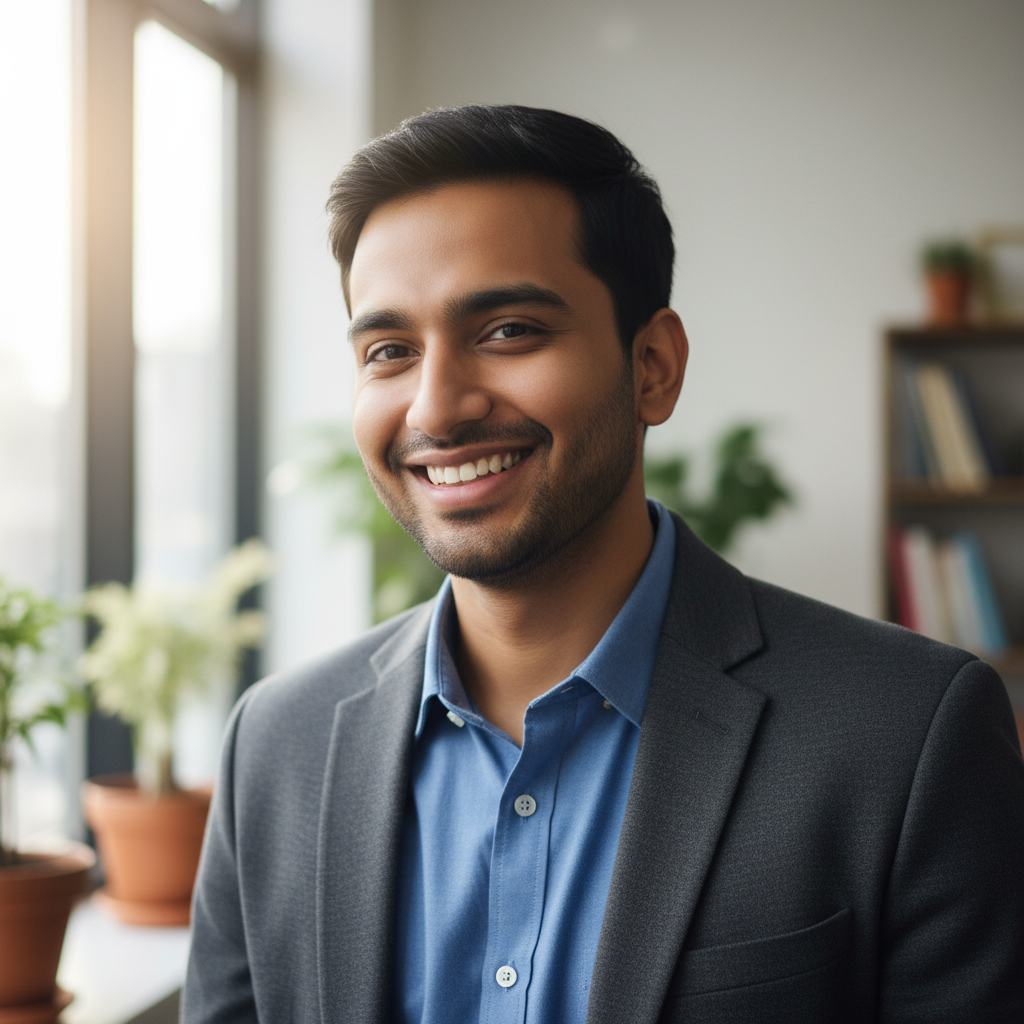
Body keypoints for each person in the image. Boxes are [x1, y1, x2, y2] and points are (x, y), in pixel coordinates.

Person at [182, 106, 1024, 1023]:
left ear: (654, 366)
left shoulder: (906, 736)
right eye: (389, 351)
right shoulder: (275, 744)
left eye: (507, 330)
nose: (438, 408)